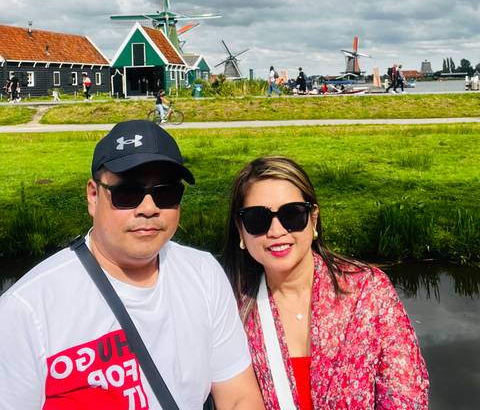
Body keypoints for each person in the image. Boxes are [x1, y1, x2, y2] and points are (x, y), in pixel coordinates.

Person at [0, 120, 264, 410]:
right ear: (93, 196)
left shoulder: (204, 274)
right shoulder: (27, 308)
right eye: (127, 193)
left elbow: (239, 397)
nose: (149, 208)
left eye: (165, 193)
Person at [224, 156, 429, 409]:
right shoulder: (227, 305)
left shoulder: (369, 292)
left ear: (313, 219)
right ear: (240, 228)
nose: (276, 231)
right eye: (257, 218)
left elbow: (406, 398)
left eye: (292, 214)